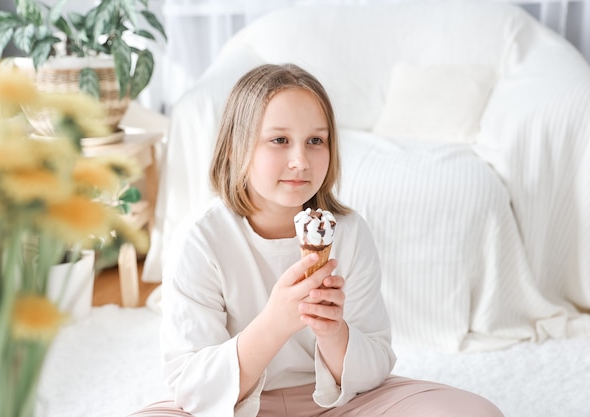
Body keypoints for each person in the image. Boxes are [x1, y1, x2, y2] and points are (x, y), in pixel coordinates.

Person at [130, 64, 504, 417]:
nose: (300, 160)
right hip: (237, 407)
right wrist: (275, 322)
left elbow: (375, 363)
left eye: (315, 140)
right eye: (279, 140)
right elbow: (192, 386)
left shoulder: (350, 232)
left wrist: (333, 332)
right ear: (234, 148)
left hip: (340, 406)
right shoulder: (202, 238)